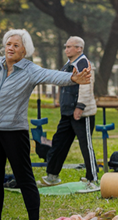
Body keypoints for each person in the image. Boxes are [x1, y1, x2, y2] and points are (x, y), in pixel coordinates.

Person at [0, 11, 91, 220]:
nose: (10, 48)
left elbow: (53, 75)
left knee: (25, 178)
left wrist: (73, 79)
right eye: (8, 44)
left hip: (14, 131)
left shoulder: (30, 70)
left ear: (25, 50)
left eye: (16, 45)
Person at [41, 36, 99, 193]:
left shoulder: (82, 63)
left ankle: (93, 179)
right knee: (59, 142)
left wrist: (79, 107)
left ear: (79, 48)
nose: (66, 49)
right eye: (66, 47)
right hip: (67, 113)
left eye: (70, 47)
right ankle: (52, 175)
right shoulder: (68, 64)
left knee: (85, 145)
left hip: (82, 113)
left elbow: (86, 86)